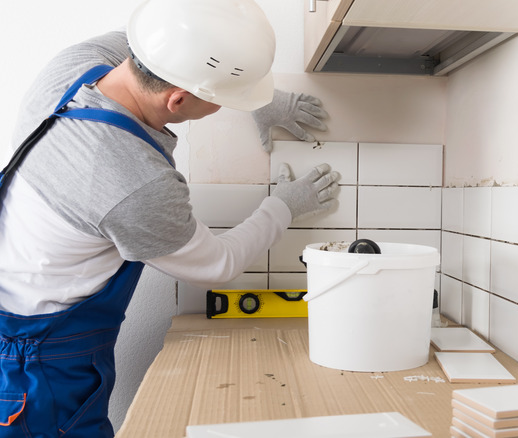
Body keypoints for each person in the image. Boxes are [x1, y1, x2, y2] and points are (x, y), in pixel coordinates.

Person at [0, 0, 340, 436]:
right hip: (37, 365)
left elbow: (178, 37)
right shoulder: (136, 185)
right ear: (177, 100)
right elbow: (219, 263)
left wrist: (258, 97)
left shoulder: (77, 65)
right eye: (221, 101)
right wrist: (285, 205)